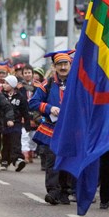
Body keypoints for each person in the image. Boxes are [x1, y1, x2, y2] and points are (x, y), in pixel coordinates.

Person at [29, 50, 76, 205]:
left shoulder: (77, 83)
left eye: (65, 64)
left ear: (70, 65)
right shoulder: (47, 84)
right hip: (52, 129)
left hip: (70, 130)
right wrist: (49, 108)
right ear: (54, 66)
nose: (63, 67)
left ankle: (64, 192)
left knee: (67, 161)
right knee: (52, 160)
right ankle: (53, 192)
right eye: (60, 64)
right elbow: (33, 102)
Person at [0, 75, 31, 172]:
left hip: (16, 123)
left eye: (7, 83)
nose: (4, 85)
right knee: (5, 142)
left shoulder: (20, 97)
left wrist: (27, 124)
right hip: (3, 124)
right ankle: (5, 160)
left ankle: (17, 159)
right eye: (4, 83)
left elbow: (25, 111)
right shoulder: (1, 96)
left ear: (13, 85)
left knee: (16, 141)